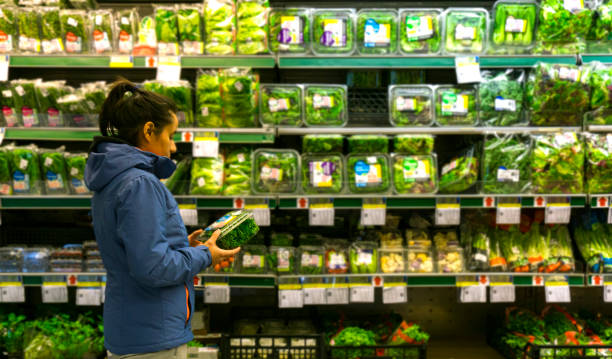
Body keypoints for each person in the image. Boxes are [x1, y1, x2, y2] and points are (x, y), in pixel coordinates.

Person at [84, 79, 240, 359]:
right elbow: (154, 268)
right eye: (170, 136)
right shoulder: (140, 183)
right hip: (153, 338)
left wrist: (185, 246)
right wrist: (205, 255)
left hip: (135, 328)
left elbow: (136, 252)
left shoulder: (114, 178)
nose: (173, 148)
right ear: (148, 131)